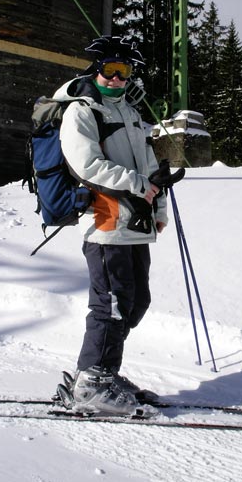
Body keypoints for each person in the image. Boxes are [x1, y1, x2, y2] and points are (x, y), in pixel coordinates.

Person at [52, 36, 178, 416]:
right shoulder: (82, 111)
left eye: (126, 72)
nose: (119, 79)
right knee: (112, 306)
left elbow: (150, 165)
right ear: (97, 68)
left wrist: (159, 207)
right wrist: (140, 186)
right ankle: (93, 382)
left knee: (136, 302)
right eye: (112, 70)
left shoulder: (131, 113)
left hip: (136, 223)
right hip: (106, 223)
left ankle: (102, 372)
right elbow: (85, 165)